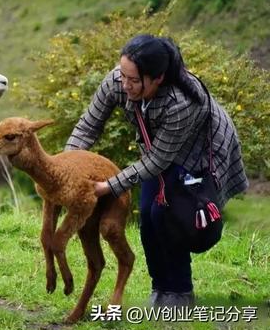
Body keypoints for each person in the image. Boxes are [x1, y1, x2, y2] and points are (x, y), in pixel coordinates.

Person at [65, 34, 248, 307]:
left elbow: (158, 161)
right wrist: (66, 167)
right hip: (157, 147)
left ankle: (180, 291)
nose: (124, 84)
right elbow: (89, 125)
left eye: (134, 80)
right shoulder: (119, 80)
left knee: (167, 213)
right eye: (123, 75)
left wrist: (108, 186)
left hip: (198, 149)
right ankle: (160, 287)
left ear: (158, 78)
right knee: (148, 216)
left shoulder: (182, 101)